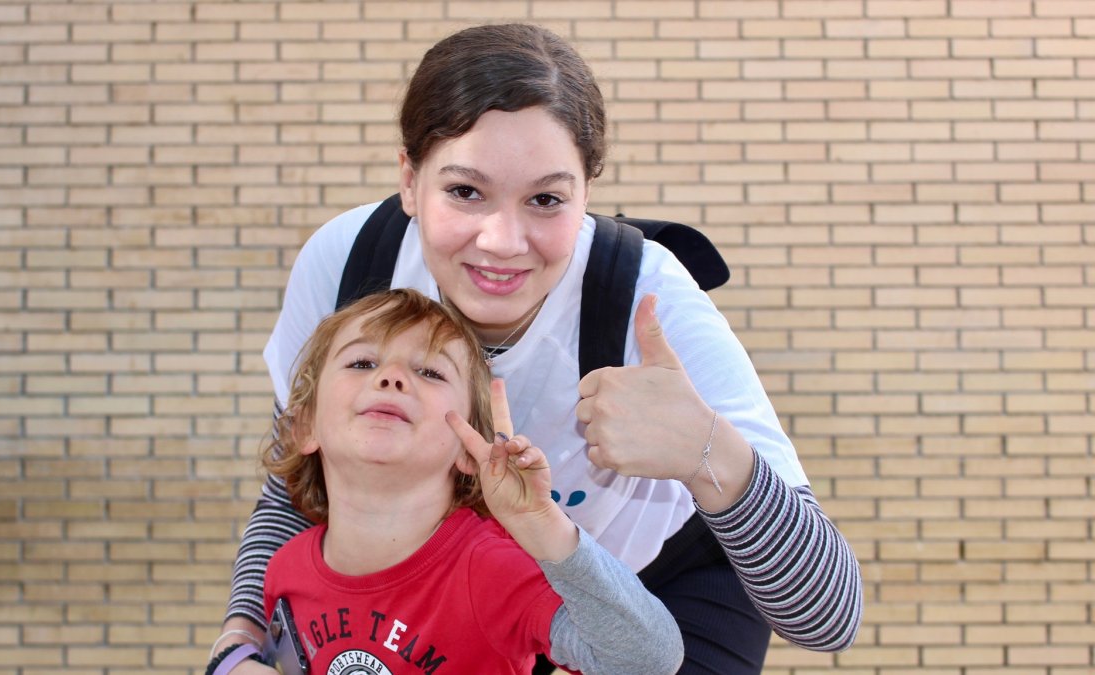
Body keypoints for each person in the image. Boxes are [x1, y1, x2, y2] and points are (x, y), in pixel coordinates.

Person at [215, 22, 862, 674]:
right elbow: (297, 488)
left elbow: (827, 615)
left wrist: (706, 449)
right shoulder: (350, 264)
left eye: (546, 199)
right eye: (465, 190)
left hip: (654, 586)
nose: (502, 239)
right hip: (478, 584)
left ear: (587, 195)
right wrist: (239, 642)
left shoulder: (649, 302)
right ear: (410, 179)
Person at [209, 288, 681, 675]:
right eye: (362, 363)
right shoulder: (284, 572)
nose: (392, 378)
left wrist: (543, 526)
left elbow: (647, 661)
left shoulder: (493, 568)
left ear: (467, 448)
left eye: (429, 371)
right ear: (303, 427)